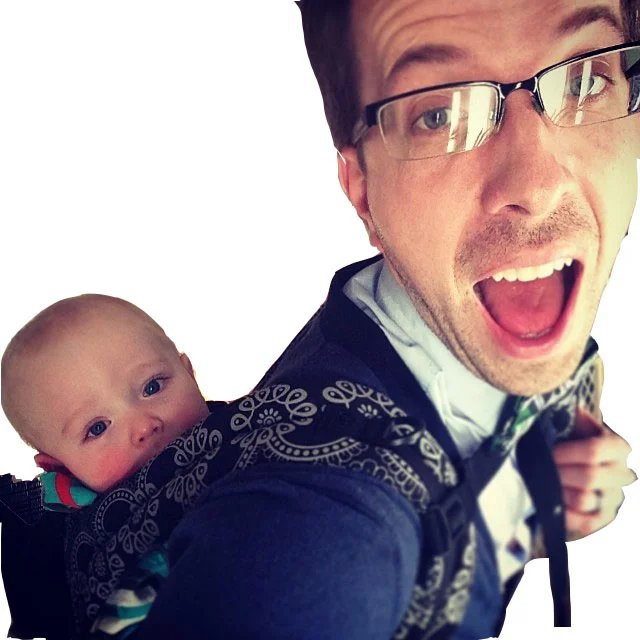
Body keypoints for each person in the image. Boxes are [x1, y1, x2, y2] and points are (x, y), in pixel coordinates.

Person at [131, 1, 638, 638]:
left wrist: (531, 516)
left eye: (584, 79)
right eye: (438, 114)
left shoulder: (502, 299)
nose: (536, 187)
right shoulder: (320, 543)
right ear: (363, 191)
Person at [0, 294, 212, 637]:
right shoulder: (55, 542)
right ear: (59, 466)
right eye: (97, 428)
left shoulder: (251, 425)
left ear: (188, 372)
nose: (143, 427)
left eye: (152, 387)